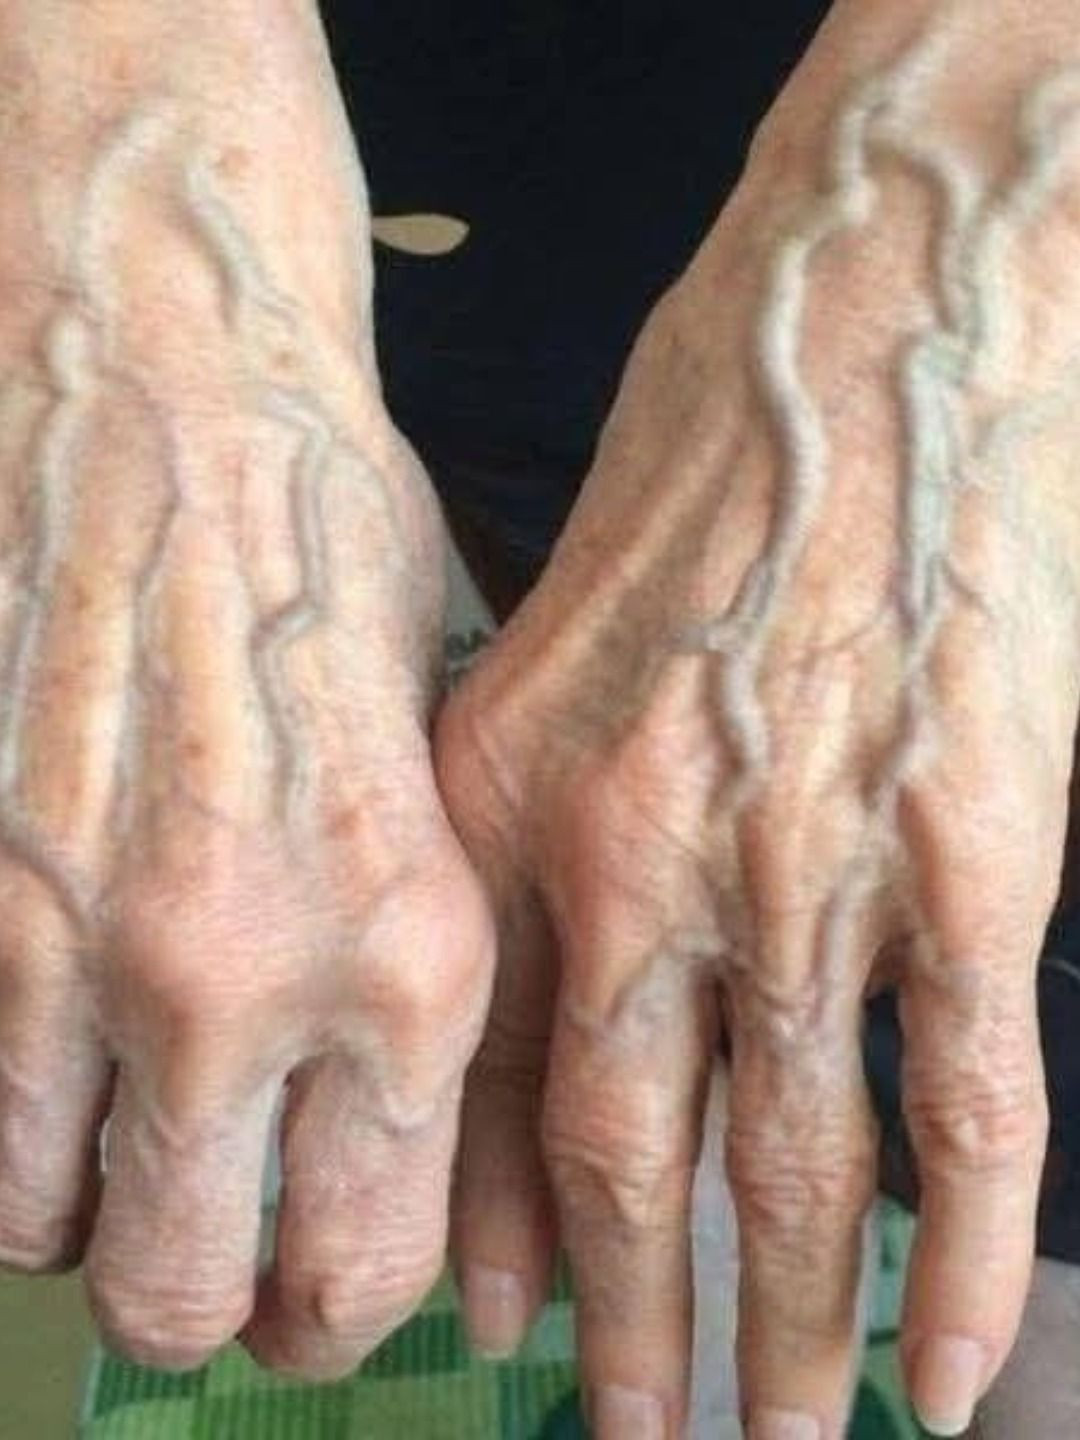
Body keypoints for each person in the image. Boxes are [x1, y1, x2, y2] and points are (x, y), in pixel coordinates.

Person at [1, 1, 1078, 1437]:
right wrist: (95, 160)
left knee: (984, 933)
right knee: (665, 822)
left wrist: (978, 181)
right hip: (441, 166)